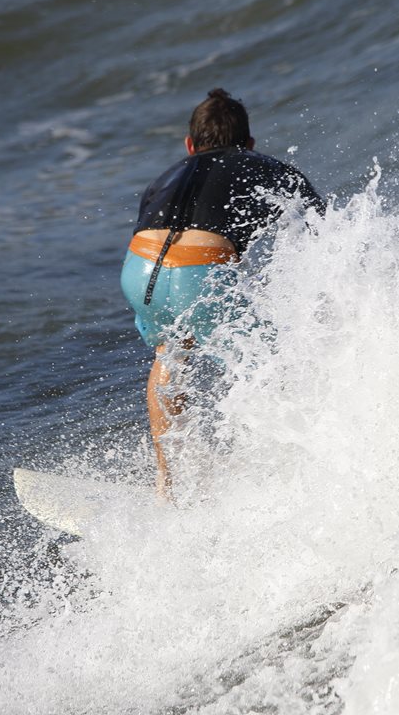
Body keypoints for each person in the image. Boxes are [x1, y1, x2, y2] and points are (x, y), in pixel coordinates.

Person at [120, 89, 325, 497]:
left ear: (190, 145)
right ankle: (292, 477)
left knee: (171, 351)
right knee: (279, 360)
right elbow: (325, 229)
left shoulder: (166, 176)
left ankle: (168, 485)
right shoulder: (261, 165)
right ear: (248, 144)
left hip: (138, 271)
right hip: (197, 273)